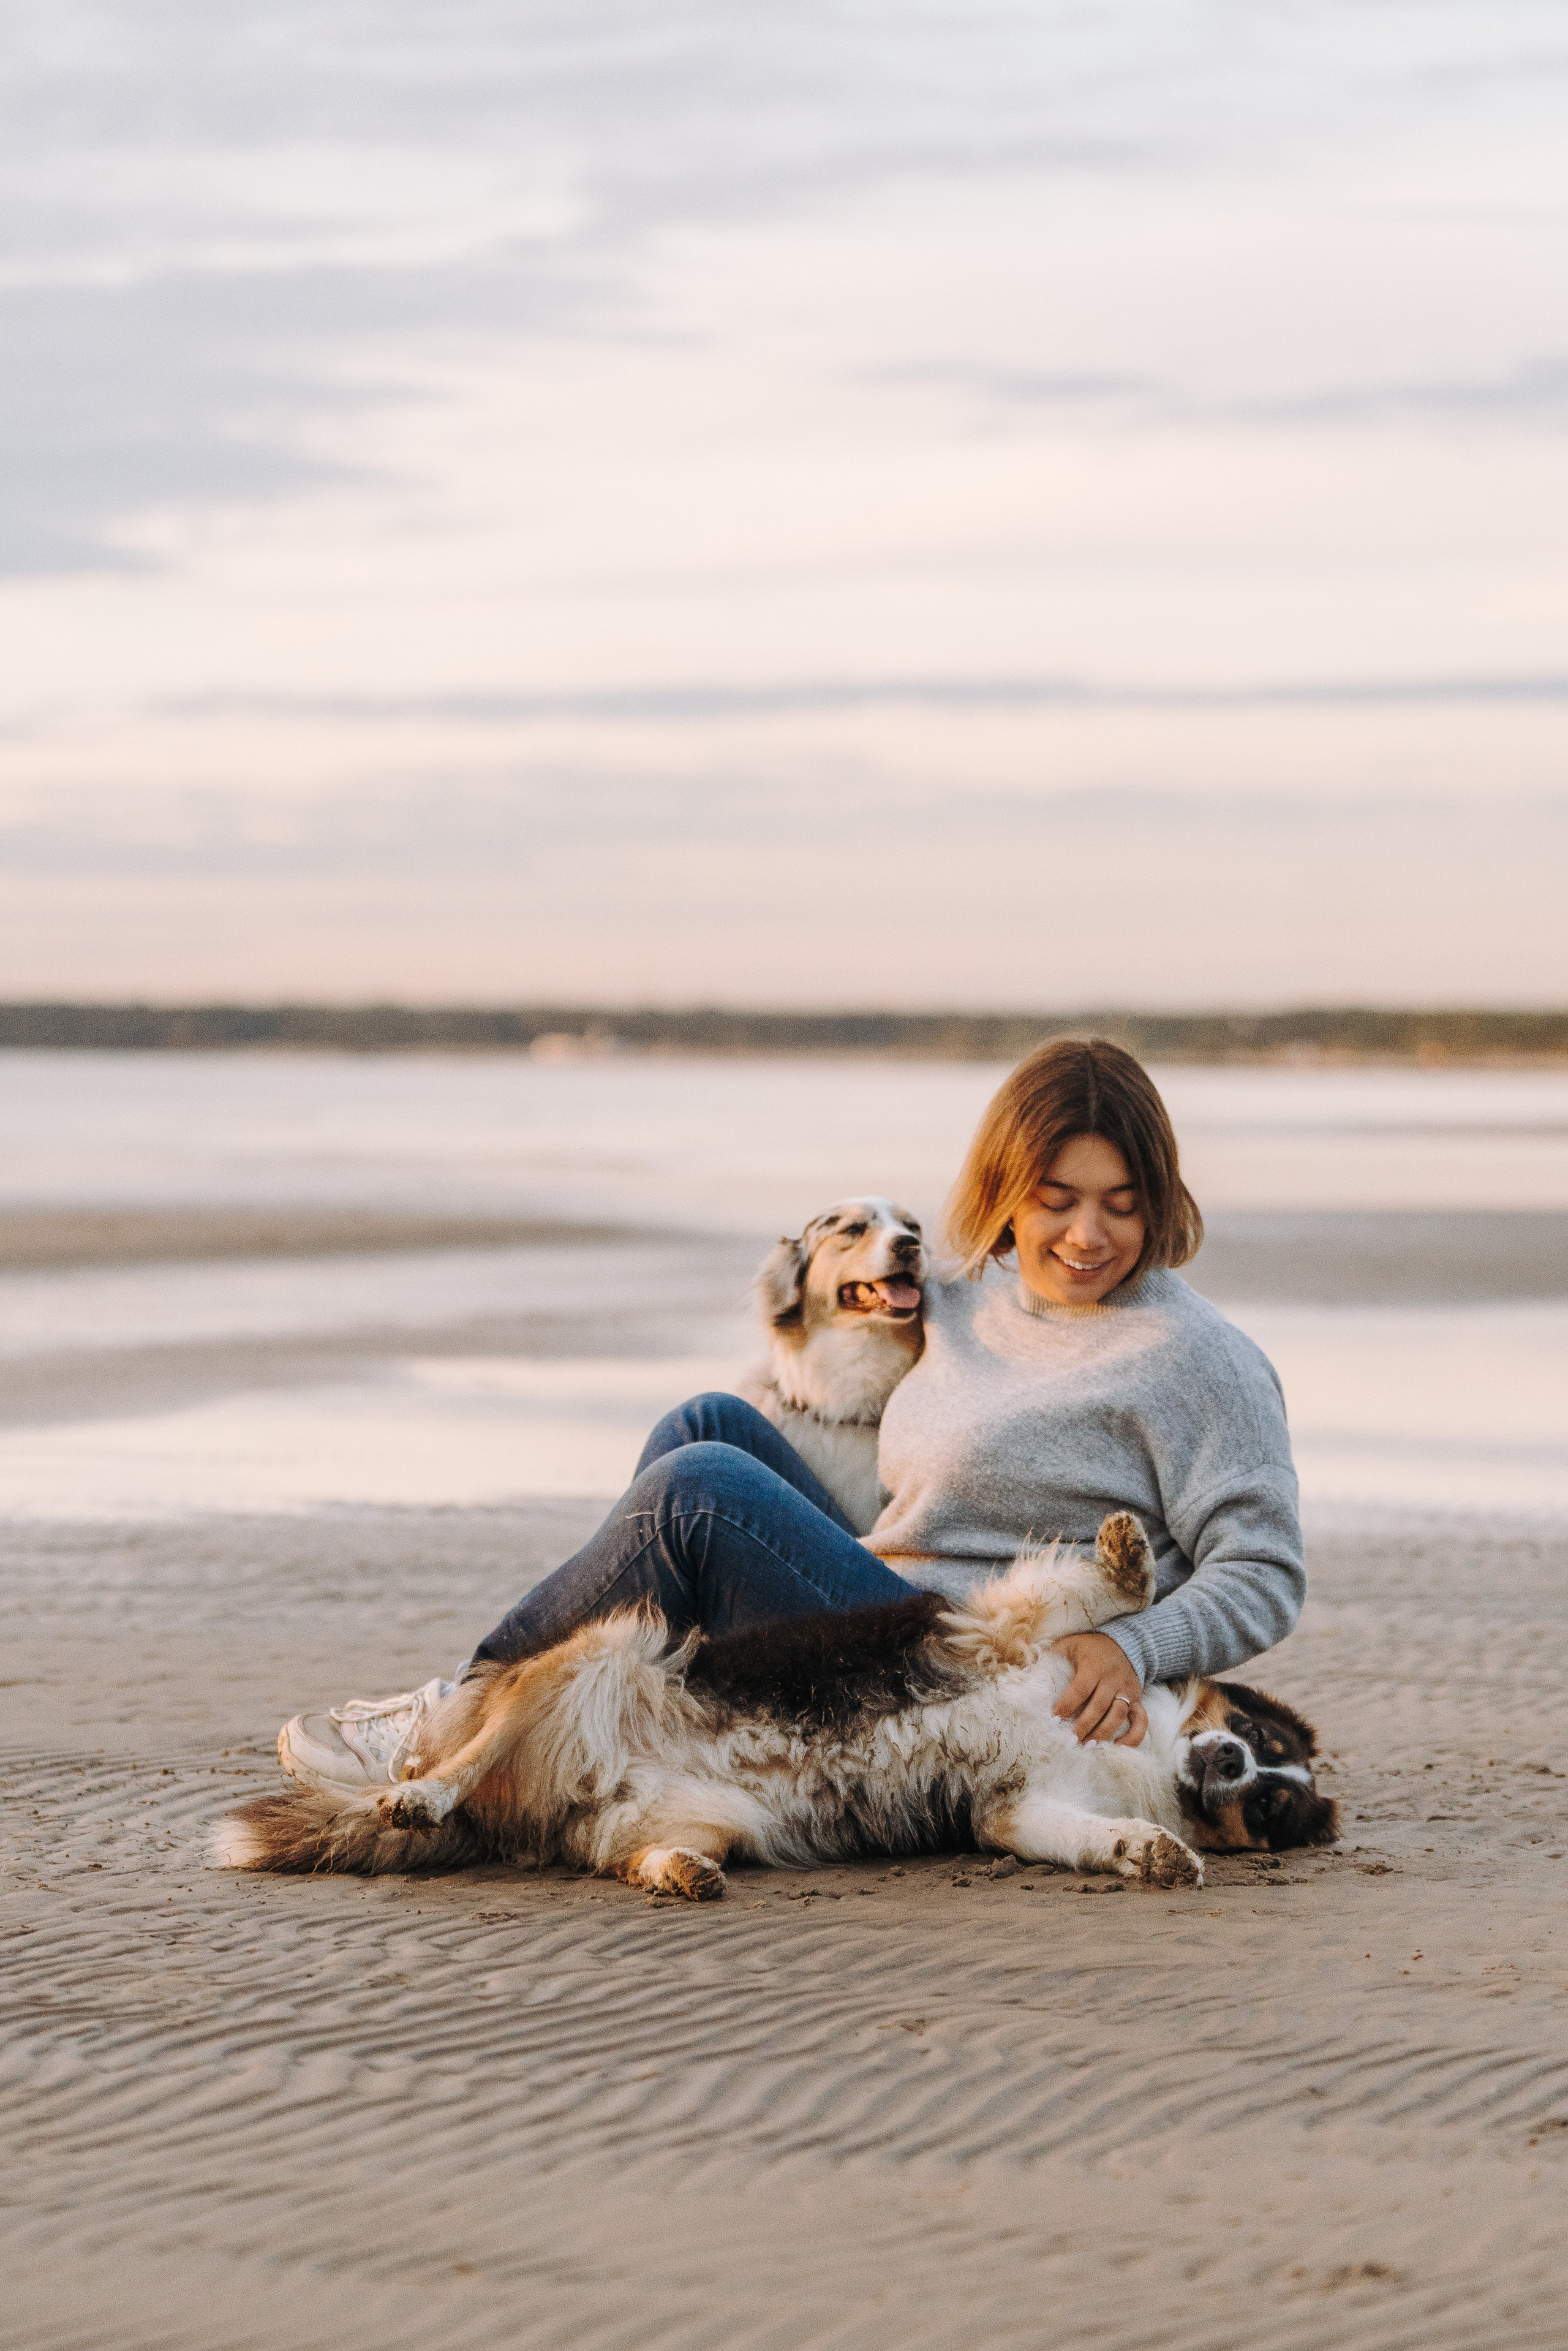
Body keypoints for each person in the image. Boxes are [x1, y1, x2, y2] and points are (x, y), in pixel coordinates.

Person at [279, 1038, 1304, 1791]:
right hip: (883, 1600)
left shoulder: (1194, 1358)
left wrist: (1136, 1647)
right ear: (1006, 1190)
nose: (1087, 1234)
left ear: (1159, 1196)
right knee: (707, 1428)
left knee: (699, 1495)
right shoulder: (968, 1294)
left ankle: (460, 1713)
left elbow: (1264, 1570)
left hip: (975, 1672)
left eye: (1121, 1202)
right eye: (1056, 1198)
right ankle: (614, 1715)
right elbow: (837, 1296)